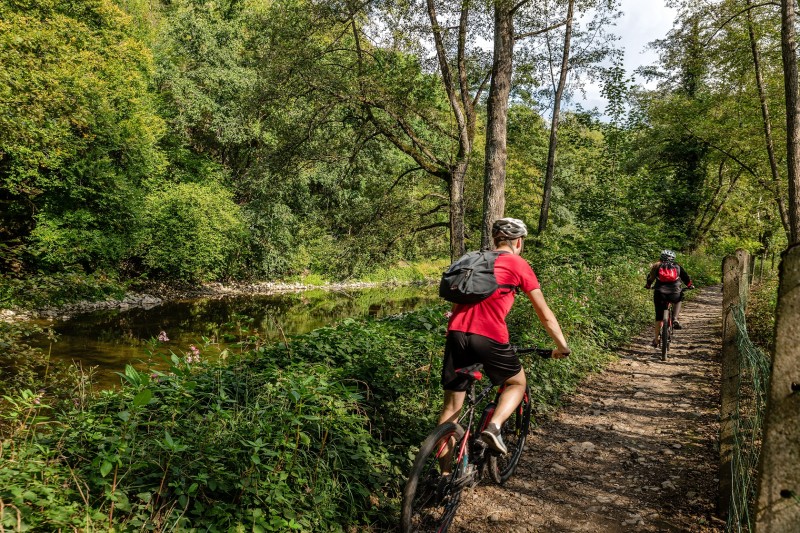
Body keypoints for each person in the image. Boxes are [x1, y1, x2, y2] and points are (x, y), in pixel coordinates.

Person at [439, 217, 570, 455]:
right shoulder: (518, 264)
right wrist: (562, 346)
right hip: (488, 335)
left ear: (495, 239)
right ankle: (494, 426)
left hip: (456, 333)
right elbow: (544, 314)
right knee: (516, 382)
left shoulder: (474, 260)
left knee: (450, 411)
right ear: (518, 242)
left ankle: (444, 478)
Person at [644, 249, 694, 347]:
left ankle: (656, 339)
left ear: (661, 258)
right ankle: (675, 318)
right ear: (673, 259)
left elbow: (650, 279)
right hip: (675, 293)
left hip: (660, 293)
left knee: (659, 317)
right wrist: (690, 285)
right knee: (679, 299)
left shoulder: (657, 266)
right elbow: (685, 277)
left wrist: (648, 286)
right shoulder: (677, 266)